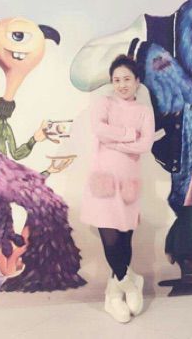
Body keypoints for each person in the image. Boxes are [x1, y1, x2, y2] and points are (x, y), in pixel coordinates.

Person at [81, 55, 163, 323]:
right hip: (102, 180)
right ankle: (129, 282)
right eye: (116, 80)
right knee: (110, 237)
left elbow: (145, 145)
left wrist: (115, 142)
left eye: (127, 79)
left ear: (137, 81)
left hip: (129, 181)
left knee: (124, 238)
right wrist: (129, 135)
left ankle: (113, 296)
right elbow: (99, 129)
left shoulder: (144, 111)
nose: (122, 84)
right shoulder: (103, 103)